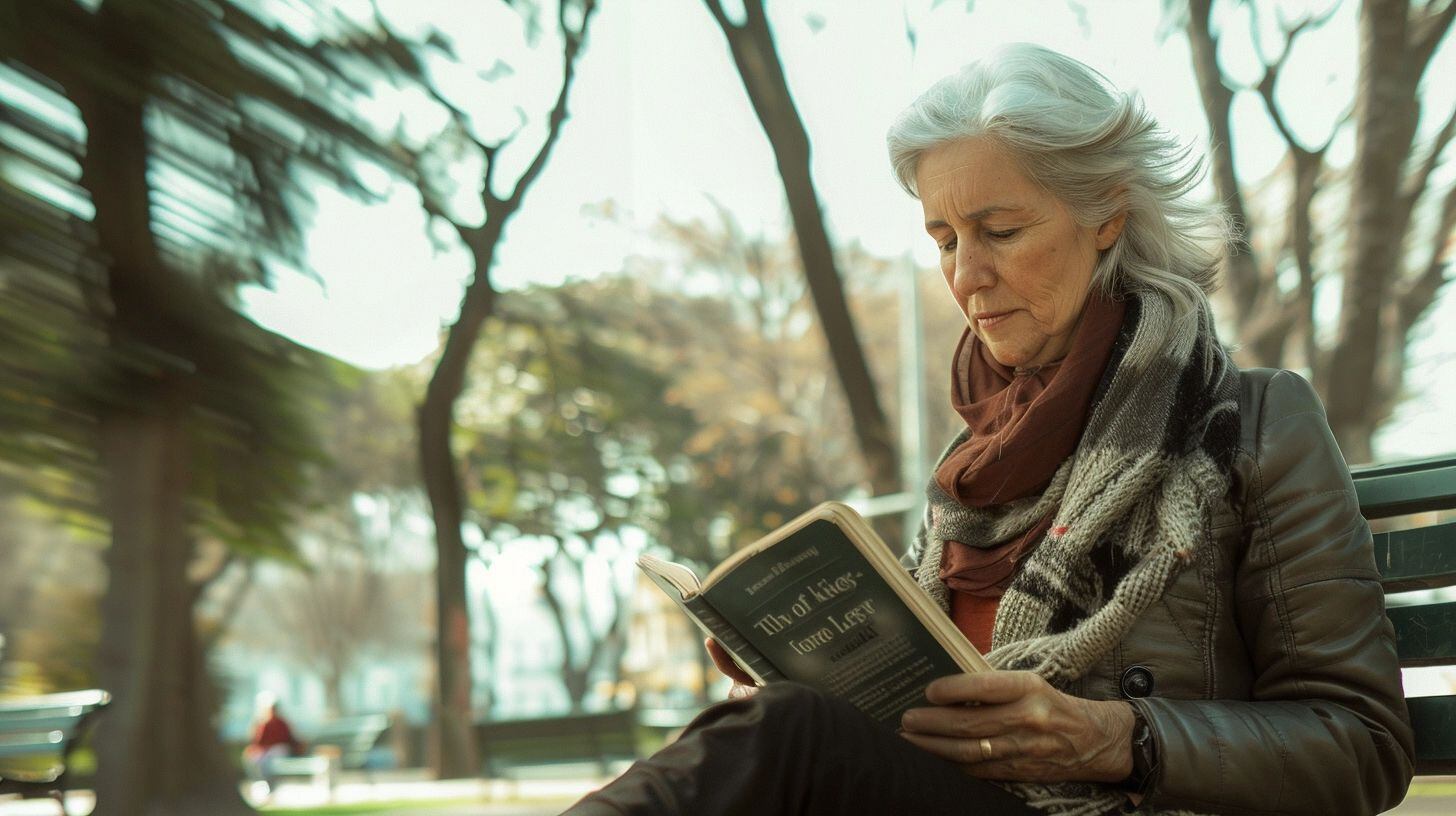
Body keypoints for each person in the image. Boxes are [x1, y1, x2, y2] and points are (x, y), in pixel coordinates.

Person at [565, 43, 1414, 816]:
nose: (967, 275)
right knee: (789, 721)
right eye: (943, 239)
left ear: (1106, 216)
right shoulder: (969, 462)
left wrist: (1117, 737)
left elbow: (1364, 748)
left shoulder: (1256, 424)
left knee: (792, 736)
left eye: (999, 231)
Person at [244, 696, 305, 792]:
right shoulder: (262, 723)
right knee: (255, 759)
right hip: (265, 751)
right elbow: (257, 741)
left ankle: (270, 786)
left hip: (278, 750)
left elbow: (289, 739)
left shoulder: (281, 723)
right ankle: (260, 783)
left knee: (269, 759)